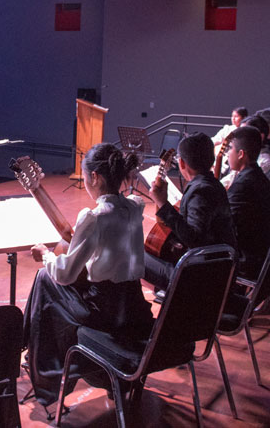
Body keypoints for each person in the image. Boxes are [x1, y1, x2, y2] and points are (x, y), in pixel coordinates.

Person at [23, 143, 154, 406]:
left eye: (85, 177)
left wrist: (46, 255)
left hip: (103, 313)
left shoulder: (94, 217)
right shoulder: (135, 207)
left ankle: (38, 361)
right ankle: (33, 354)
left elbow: (65, 274)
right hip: (134, 309)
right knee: (53, 279)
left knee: (45, 279)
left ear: (95, 177)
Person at [143, 132, 237, 291]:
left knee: (132, 256)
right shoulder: (213, 184)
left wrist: (162, 203)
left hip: (201, 275)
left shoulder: (200, 190)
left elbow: (194, 239)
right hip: (217, 266)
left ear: (181, 163)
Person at [225, 127, 270, 280]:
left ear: (241, 154)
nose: (228, 153)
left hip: (247, 261)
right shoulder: (258, 176)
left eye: (230, 149)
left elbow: (226, 225)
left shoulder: (243, 184)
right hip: (262, 254)